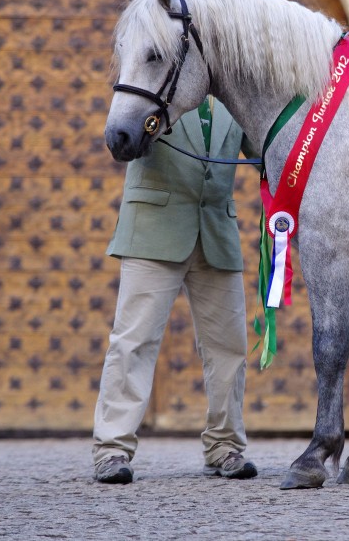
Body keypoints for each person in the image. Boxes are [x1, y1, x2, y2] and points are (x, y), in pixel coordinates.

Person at [92, 97, 257, 484]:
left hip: (216, 231)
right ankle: (112, 449)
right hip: (153, 227)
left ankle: (224, 447)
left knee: (230, 347)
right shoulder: (158, 82)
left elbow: (268, 146)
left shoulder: (234, 93)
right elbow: (124, 141)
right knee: (133, 342)